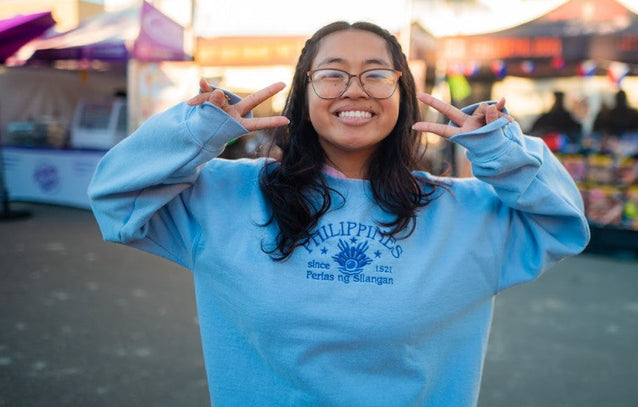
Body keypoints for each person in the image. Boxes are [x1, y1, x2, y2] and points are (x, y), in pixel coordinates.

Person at [88, 20, 590, 406]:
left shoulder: (466, 209)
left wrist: (501, 151)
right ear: (303, 94)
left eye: (376, 74)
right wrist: (196, 131)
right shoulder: (224, 195)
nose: (355, 89)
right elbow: (115, 198)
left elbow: (563, 224)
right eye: (331, 75)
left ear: (403, 94)